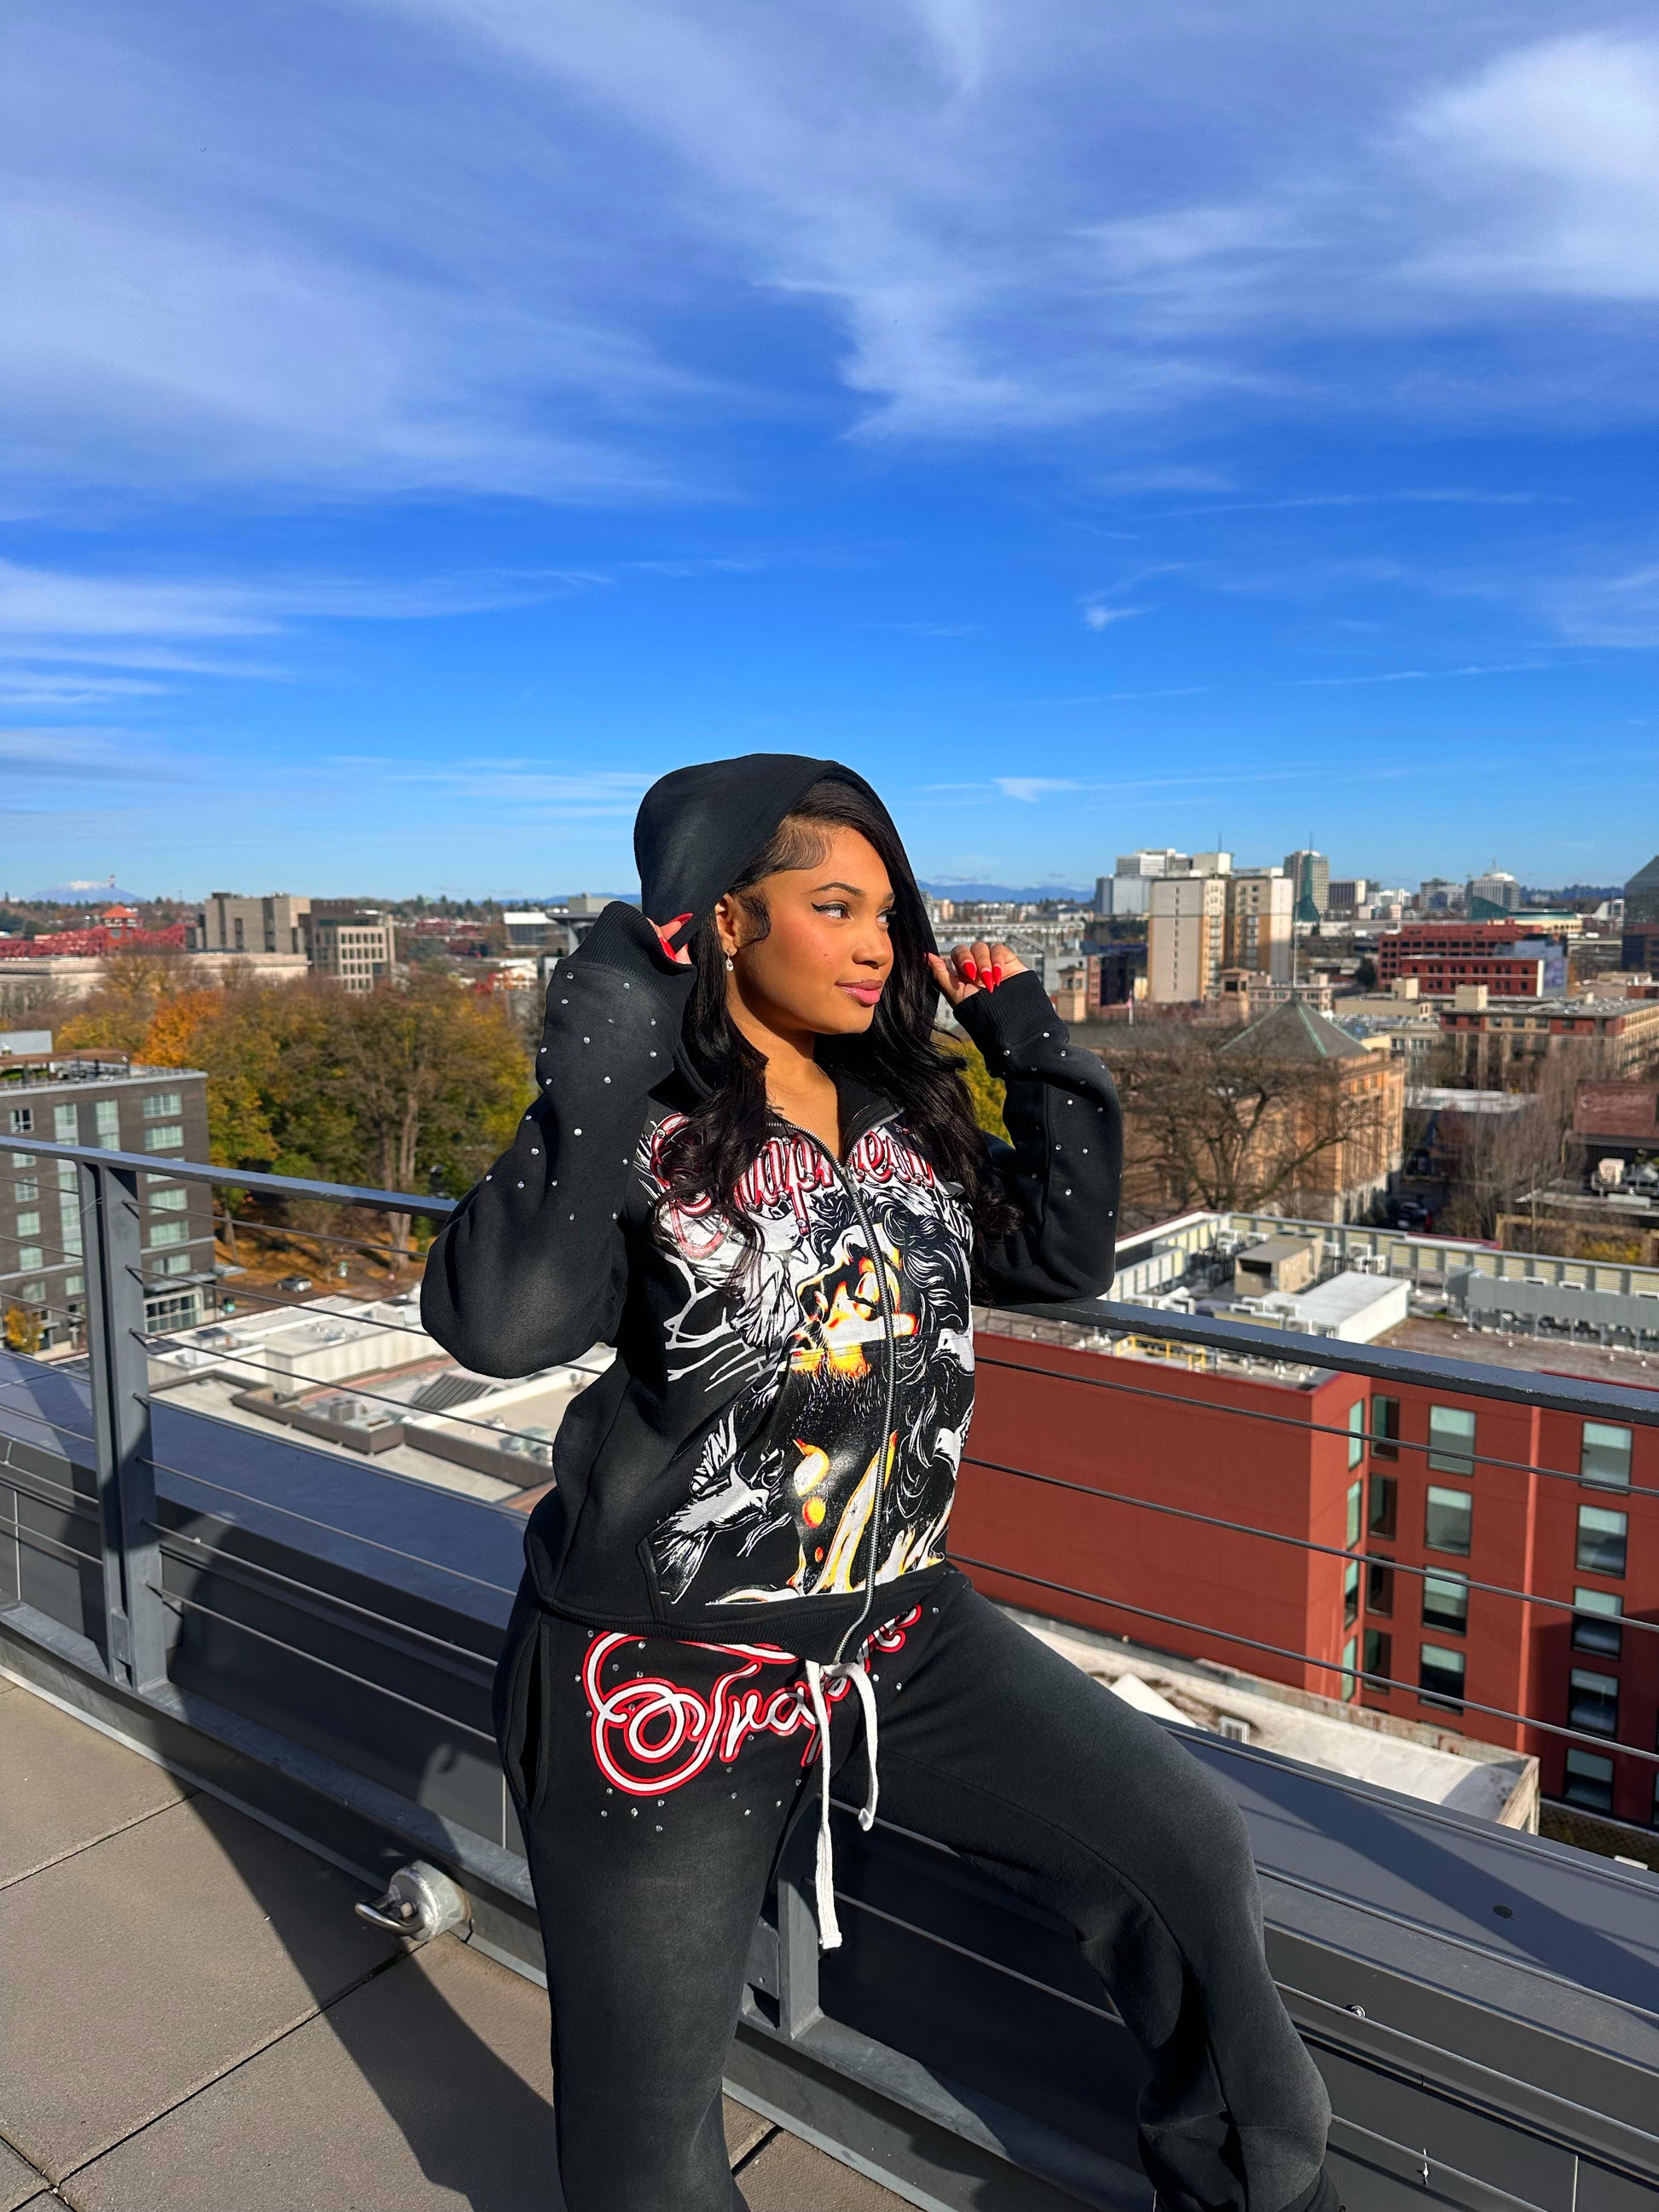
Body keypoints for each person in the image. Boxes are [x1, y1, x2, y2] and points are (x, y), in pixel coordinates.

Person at [422, 754, 1337, 2212]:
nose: (876, 946)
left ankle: (1257, 2197)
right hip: (662, 1681)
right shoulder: (637, 1123)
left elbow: (1058, 1257)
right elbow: (502, 1326)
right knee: (647, 2124)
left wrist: (1025, 1036)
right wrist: (598, 1045)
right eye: (835, 907)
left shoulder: (895, 1112)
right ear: (724, 920)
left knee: (1179, 1847)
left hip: (900, 1631)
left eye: (888, 914)